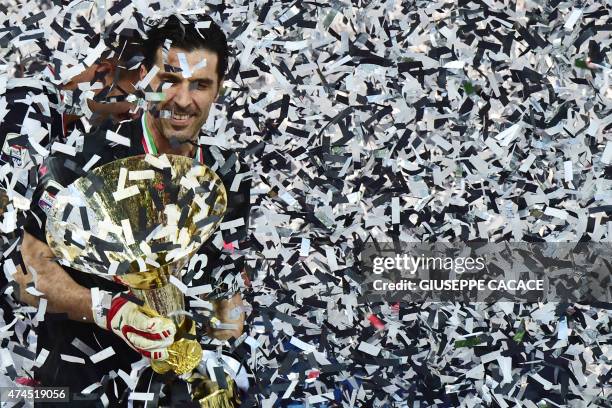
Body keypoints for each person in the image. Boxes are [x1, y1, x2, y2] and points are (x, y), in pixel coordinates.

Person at [15, 14, 250, 406]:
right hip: (82, 381)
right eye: (170, 79)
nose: (182, 99)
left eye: (200, 84)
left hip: (172, 385)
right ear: (145, 79)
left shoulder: (227, 170)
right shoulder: (80, 158)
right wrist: (111, 312)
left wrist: (225, 328)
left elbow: (224, 272)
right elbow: (28, 275)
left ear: (218, 89)